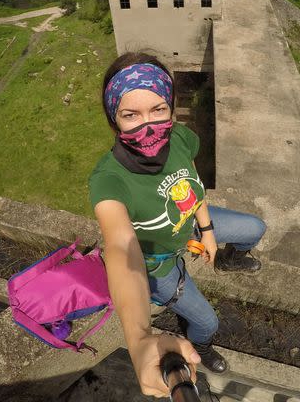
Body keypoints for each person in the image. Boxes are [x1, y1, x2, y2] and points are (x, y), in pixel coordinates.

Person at [89, 52, 266, 397]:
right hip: (159, 264)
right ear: (114, 120)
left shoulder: (181, 139)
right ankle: (203, 345)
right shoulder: (109, 180)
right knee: (207, 322)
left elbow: (192, 183)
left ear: (171, 107)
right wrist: (139, 339)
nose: (149, 125)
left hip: (188, 225)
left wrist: (210, 231)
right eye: (131, 115)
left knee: (255, 228)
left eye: (158, 110)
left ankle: (228, 261)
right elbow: (121, 249)